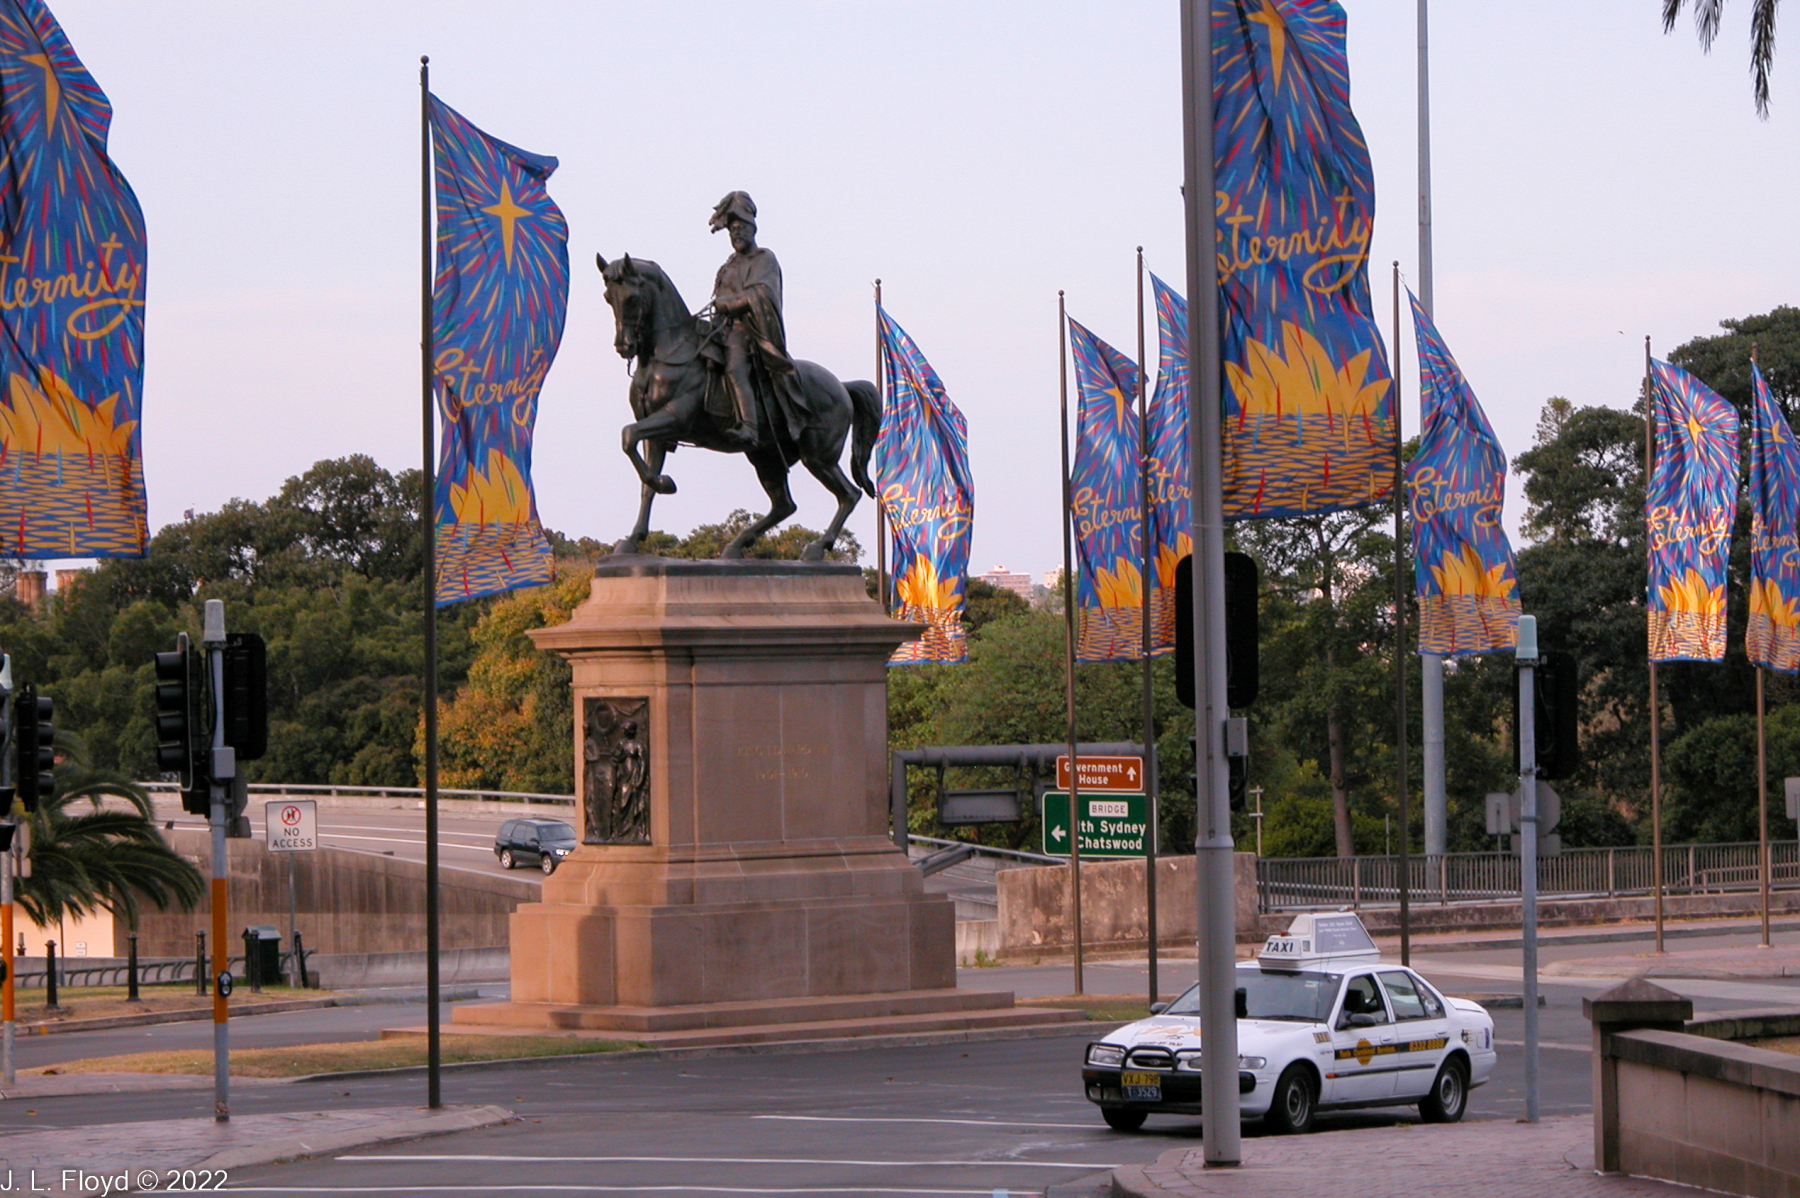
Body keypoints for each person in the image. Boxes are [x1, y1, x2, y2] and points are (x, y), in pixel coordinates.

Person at [708, 191, 794, 449]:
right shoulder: (728, 265)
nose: (736, 233)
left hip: (748, 331)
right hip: (721, 329)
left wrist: (729, 304)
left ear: (752, 228)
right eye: (732, 230)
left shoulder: (764, 258)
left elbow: (763, 293)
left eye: (740, 228)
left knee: (735, 366)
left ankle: (749, 426)